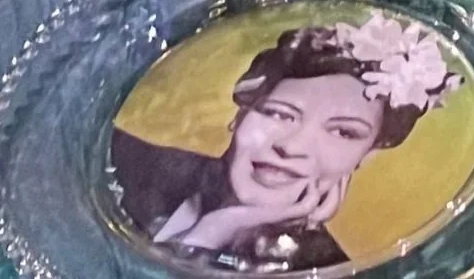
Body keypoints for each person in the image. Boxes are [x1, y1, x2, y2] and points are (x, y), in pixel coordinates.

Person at [115, 22, 449, 269]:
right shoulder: (124, 159)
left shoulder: (334, 270)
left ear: (368, 154)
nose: (293, 147)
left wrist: (220, 228)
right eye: (278, 114)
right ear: (242, 110)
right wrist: (214, 228)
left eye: (344, 133)